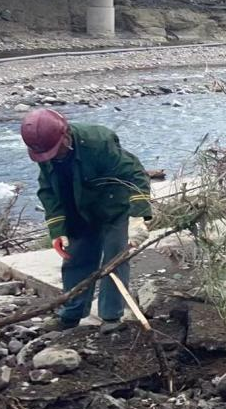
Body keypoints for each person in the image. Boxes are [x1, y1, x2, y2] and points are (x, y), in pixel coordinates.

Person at [20, 108, 152, 332]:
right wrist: (58, 230)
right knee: (75, 259)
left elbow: (135, 173)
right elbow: (48, 192)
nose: (54, 156)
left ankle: (111, 317)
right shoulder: (44, 150)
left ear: (65, 135)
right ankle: (71, 314)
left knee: (115, 260)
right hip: (78, 210)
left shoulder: (99, 141)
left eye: (57, 150)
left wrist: (138, 216)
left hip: (114, 207)